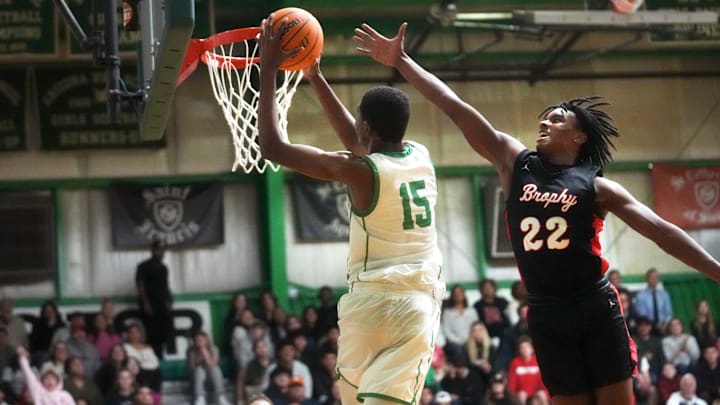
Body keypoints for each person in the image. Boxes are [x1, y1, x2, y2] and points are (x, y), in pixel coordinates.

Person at [352, 21, 720, 405]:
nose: (545, 121)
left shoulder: (597, 187)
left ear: (579, 137)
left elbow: (662, 231)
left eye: (557, 118)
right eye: (544, 117)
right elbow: (455, 107)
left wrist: (716, 271)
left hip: (594, 306)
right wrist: (403, 62)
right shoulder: (515, 161)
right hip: (546, 313)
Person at [257, 16, 445, 405]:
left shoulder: (362, 170)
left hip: (365, 309)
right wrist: (314, 75)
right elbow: (358, 140)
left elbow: (274, 148)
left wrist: (270, 68)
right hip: (412, 306)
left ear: (367, 127)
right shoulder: (419, 157)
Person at [135, 240, 173, 359]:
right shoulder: (143, 266)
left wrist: (169, 300)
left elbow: (166, 286)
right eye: (159, 250)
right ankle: (151, 358)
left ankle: (161, 356)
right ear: (152, 250)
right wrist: (145, 303)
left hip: (162, 305)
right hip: (150, 305)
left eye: (163, 250)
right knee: (151, 333)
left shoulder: (164, 268)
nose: (161, 253)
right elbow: (140, 285)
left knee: (164, 333)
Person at [186, 329, 231, 405]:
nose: (199, 341)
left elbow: (213, 363)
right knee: (199, 370)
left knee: (215, 369)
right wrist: (200, 356)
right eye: (197, 340)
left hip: (212, 377)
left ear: (206, 340)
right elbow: (192, 368)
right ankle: (200, 398)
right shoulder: (191, 352)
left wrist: (204, 352)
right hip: (197, 379)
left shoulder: (214, 348)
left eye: (201, 339)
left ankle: (220, 396)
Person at [633, 268, 674, 335]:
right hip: (648, 328)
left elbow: (668, 313)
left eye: (656, 277)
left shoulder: (664, 295)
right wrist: (651, 325)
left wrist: (665, 325)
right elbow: (641, 314)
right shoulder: (640, 296)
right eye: (651, 277)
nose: (654, 279)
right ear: (646, 279)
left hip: (664, 328)